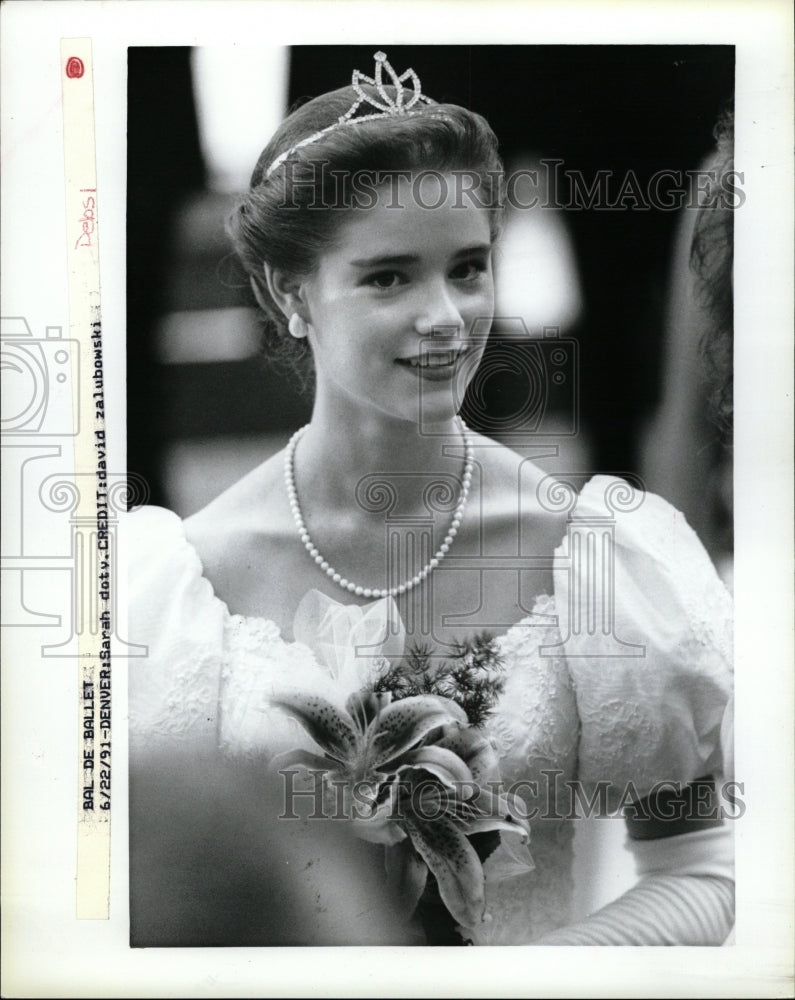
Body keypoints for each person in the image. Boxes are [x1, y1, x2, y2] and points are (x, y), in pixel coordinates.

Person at [126, 51, 734, 946]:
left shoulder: (597, 554)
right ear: (288, 293)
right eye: (388, 276)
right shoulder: (172, 584)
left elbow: (700, 870)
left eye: (468, 268)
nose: (446, 317)